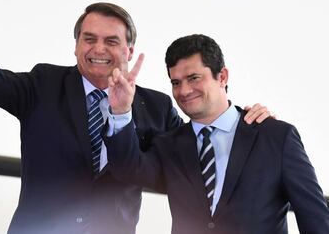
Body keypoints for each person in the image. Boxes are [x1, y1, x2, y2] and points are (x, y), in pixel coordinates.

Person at [0, 0, 270, 234]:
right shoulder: (43, 84)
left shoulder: (156, 107)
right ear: (76, 46)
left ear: (128, 51)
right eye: (90, 39)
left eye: (111, 41)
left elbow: (197, 152)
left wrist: (240, 122)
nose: (99, 49)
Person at [105, 34, 329, 234]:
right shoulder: (170, 144)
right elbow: (128, 169)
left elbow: (315, 219)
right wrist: (121, 110)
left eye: (194, 78)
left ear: (222, 77)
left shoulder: (276, 137)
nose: (183, 91)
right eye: (176, 82)